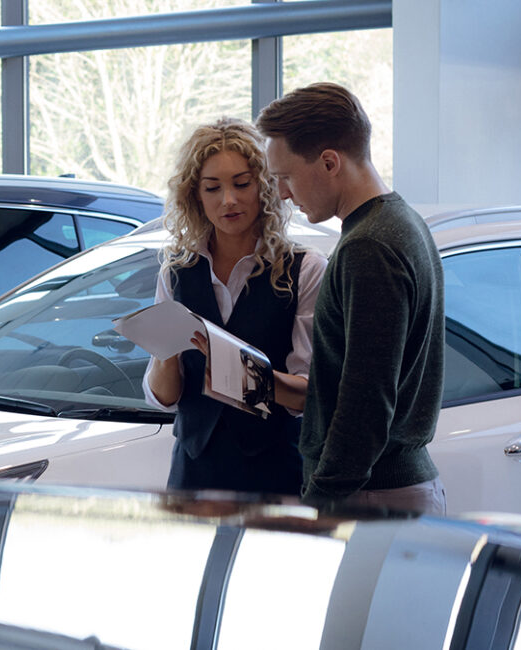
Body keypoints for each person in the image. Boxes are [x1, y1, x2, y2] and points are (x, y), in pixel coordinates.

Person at [256, 82, 446, 515]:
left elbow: (366, 401)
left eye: (285, 177)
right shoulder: (400, 222)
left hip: (369, 498)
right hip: (384, 491)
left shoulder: (370, 245)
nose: (283, 193)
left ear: (328, 163)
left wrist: (321, 502)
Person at [143, 117, 327, 495]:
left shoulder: (305, 268)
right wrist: (166, 351)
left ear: (265, 186)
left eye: (242, 184)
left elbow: (310, 394)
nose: (229, 200)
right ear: (196, 195)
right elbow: (164, 398)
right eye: (213, 188)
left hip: (276, 471)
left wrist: (237, 371)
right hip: (193, 473)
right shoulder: (177, 272)